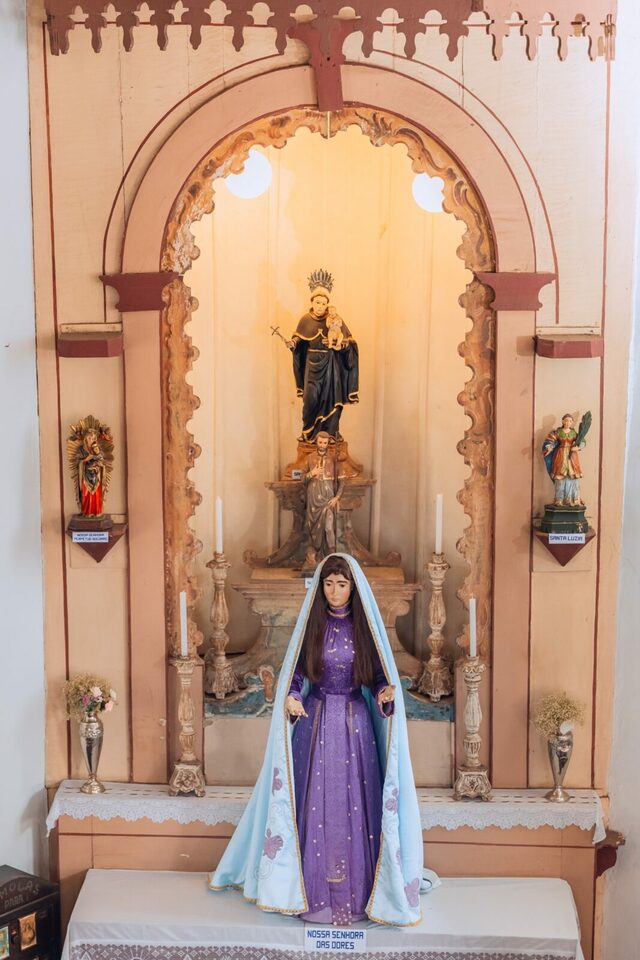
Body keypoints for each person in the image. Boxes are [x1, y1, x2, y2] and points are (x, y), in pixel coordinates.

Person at [210, 554, 438, 926]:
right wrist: (292, 696)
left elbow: (378, 675)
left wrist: (383, 692)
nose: (334, 591)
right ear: (321, 587)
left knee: (355, 800)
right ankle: (309, 890)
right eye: (329, 584)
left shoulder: (364, 629)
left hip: (354, 725)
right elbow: (298, 672)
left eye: (342, 584)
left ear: (353, 588)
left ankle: (359, 891)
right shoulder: (312, 627)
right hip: (315, 723)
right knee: (313, 800)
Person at [286, 271, 359, 442]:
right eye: (317, 302)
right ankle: (308, 432)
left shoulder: (334, 320)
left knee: (332, 398)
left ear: (328, 305)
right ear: (312, 302)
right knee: (310, 399)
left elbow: (349, 343)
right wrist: (293, 343)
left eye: (324, 303)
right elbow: (299, 340)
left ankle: (331, 433)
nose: (320, 306)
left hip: (331, 366)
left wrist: (337, 345)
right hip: (312, 366)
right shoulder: (305, 320)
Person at [303, 431, 344, 566]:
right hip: (313, 499)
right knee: (313, 529)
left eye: (325, 443)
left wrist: (337, 497)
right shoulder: (309, 458)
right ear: (316, 441)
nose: (322, 445)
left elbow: (342, 481)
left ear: (328, 443)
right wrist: (311, 473)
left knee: (328, 527)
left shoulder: (334, 458)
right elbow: (301, 478)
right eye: (320, 442)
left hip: (328, 499)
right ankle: (314, 554)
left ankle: (332, 555)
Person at [542, 413, 584, 506]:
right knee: (560, 477)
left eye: (570, 421)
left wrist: (577, 448)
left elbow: (582, 441)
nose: (568, 422)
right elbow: (550, 440)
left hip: (572, 457)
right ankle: (559, 499)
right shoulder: (558, 432)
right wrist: (549, 446)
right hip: (560, 456)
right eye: (566, 420)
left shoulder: (573, 433)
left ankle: (572, 499)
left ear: (572, 422)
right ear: (562, 421)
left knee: (572, 477)